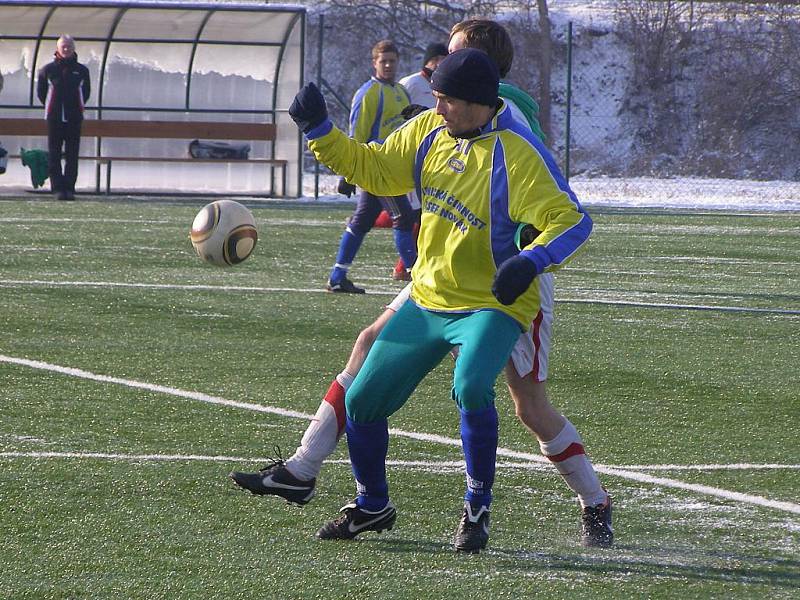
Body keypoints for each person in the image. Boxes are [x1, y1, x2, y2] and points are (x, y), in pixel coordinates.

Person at [231, 19, 613, 551]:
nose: (434, 74)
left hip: (505, 285)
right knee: (367, 360)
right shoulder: (433, 127)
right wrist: (320, 130)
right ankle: (327, 478)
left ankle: (580, 501)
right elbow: (377, 166)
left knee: (527, 406)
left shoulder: (513, 132)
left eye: (449, 63)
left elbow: (563, 212)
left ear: (479, 79)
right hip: (438, 278)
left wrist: (530, 256)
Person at [326, 40, 416, 293]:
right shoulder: (368, 93)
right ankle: (415, 275)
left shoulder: (400, 92)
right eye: (383, 61)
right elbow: (357, 133)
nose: (388, 65)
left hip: (393, 167)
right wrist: (349, 171)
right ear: (374, 63)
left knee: (363, 219)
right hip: (377, 167)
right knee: (403, 216)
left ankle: (337, 276)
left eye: (392, 61)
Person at [37, 35, 90, 201]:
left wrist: (75, 109)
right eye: (63, 46)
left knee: (72, 154)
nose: (66, 49)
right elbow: (41, 93)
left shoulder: (81, 71)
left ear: (74, 48)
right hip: (54, 118)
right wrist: (52, 109)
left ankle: (69, 188)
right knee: (54, 154)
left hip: (74, 118)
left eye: (69, 46)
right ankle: (57, 189)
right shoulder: (48, 70)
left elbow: (86, 93)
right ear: (58, 49)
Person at [398, 42, 448, 108]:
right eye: (435, 59)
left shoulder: (446, 87)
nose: (439, 64)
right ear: (427, 62)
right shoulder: (411, 82)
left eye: (443, 59)